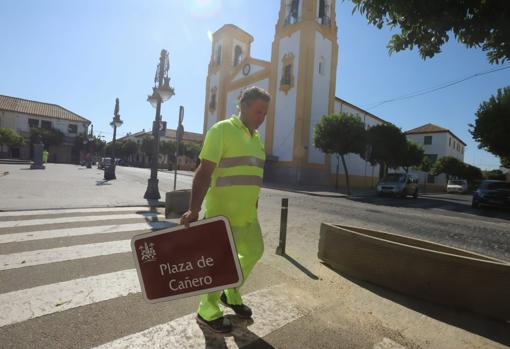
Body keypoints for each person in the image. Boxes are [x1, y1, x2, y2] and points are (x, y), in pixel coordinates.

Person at [180, 86, 271, 333]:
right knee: (220, 264)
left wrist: (254, 205)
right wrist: (194, 209)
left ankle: (230, 293)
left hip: (248, 216)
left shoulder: (257, 139)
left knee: (254, 252)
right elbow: (203, 172)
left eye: (265, 113)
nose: (262, 117)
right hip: (222, 216)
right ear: (243, 107)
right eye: (258, 111)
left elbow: (253, 178)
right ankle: (207, 310)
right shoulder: (221, 130)